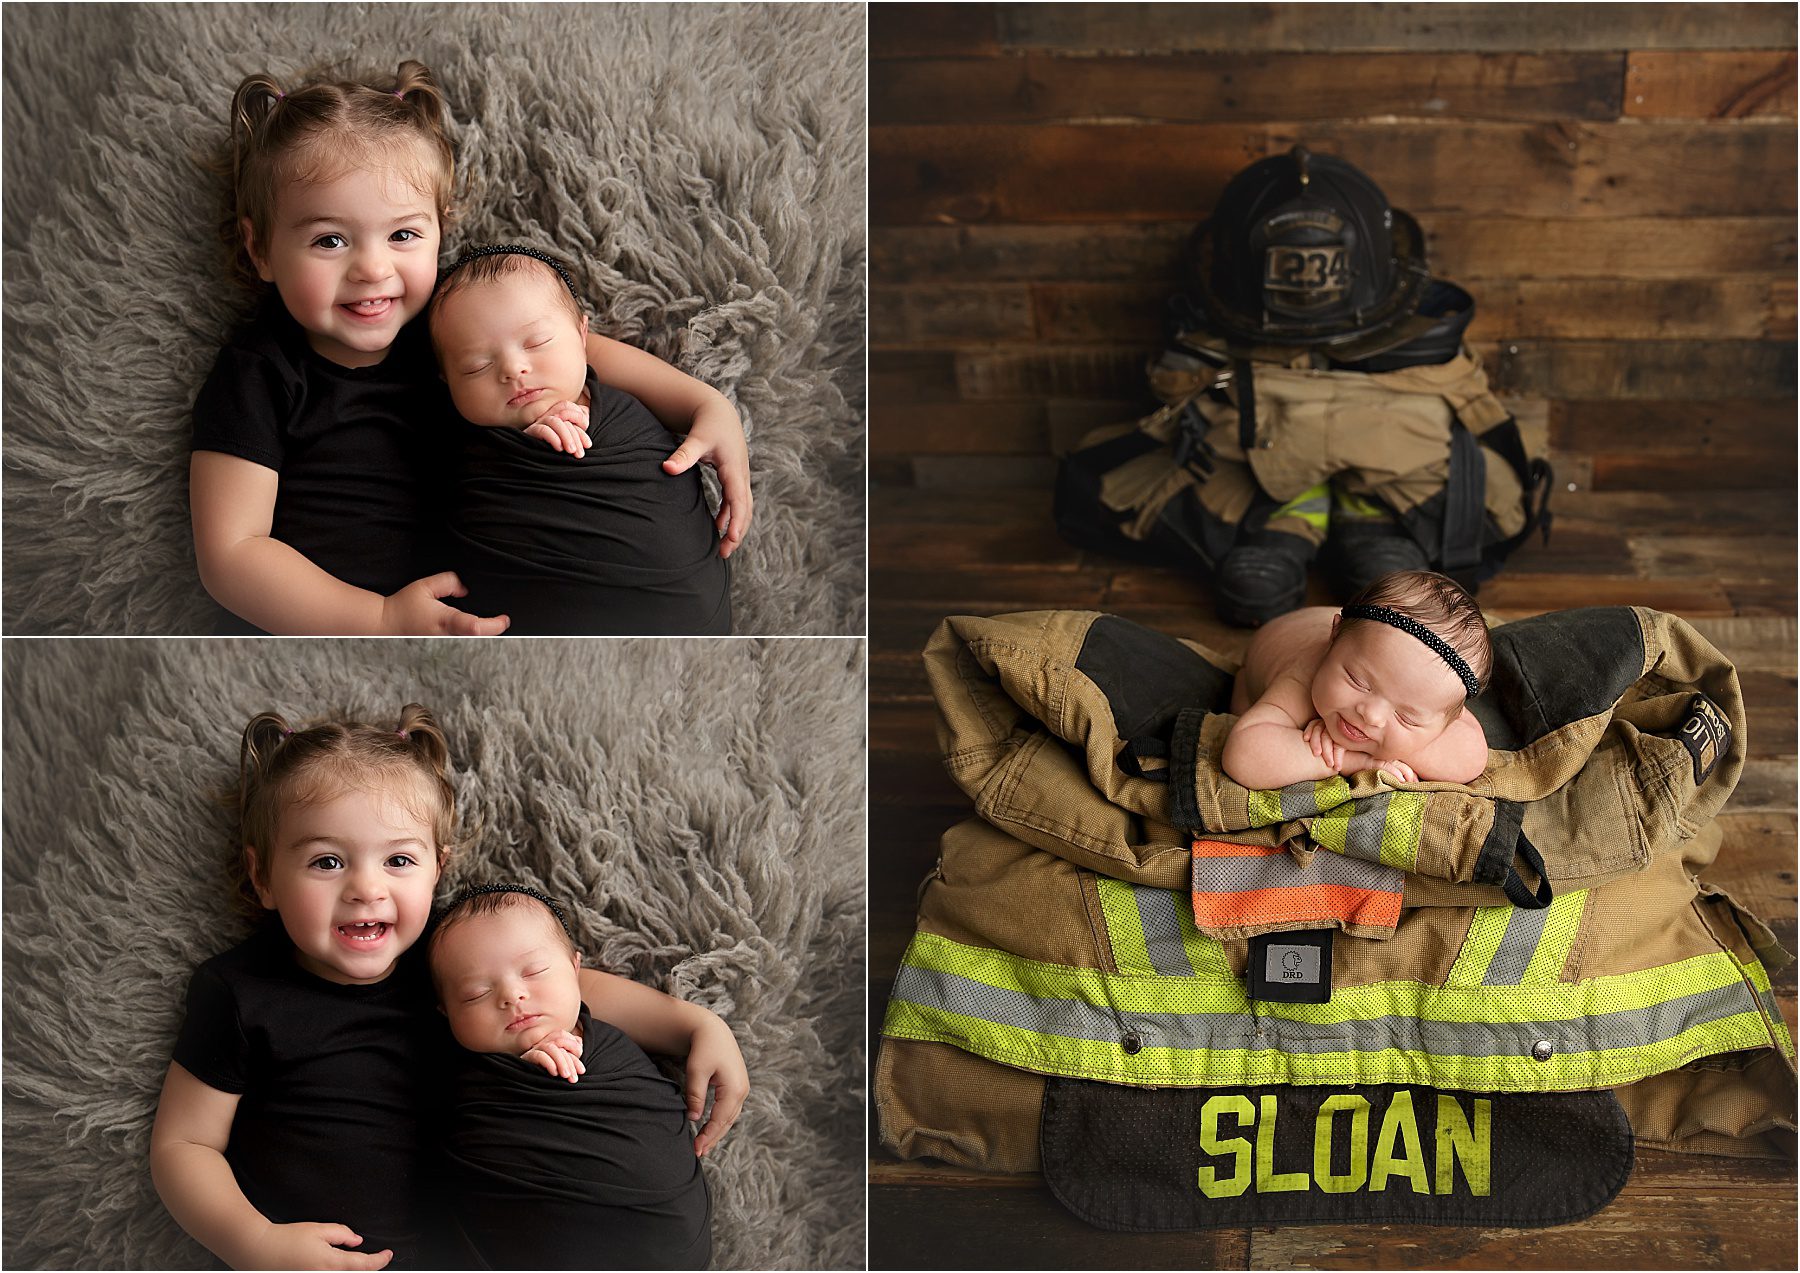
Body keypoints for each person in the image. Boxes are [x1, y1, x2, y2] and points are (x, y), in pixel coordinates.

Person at [147, 706, 748, 1271]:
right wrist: (255, 1243)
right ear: (263, 876)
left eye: (398, 861)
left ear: (438, 867)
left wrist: (694, 1026)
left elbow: (566, 984)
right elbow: (185, 1145)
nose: (366, 889)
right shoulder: (241, 992)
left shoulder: (447, 954)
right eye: (327, 862)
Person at [190, 60, 750, 636]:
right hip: (342, 627)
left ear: (440, 229)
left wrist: (706, 406)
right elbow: (232, 555)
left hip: (497, 609)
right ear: (261, 249)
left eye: (402, 234)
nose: (373, 269)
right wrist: (379, 619)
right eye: (329, 240)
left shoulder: (450, 321)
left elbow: (578, 351)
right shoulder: (260, 372)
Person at [426, 246, 731, 634]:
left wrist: (716, 408)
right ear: (446, 381)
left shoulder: (629, 406)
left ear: (582, 335)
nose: (513, 369)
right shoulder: (456, 446)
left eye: (537, 342)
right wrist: (526, 447)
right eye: (477, 366)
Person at [429, 884, 713, 1269]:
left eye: (534, 971)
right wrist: (524, 1075)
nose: (512, 995)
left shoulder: (609, 1042)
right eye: (476, 993)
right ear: (445, 1012)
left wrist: (708, 1027)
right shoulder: (460, 1080)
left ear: (576, 969)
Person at [1222, 569, 1491, 790]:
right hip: (1279, 638)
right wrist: (1349, 760)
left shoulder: (1426, 689)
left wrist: (1394, 747)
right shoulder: (1304, 676)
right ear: (1334, 636)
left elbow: (1470, 757)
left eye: (1406, 717)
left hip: (1365, 635)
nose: (1371, 716)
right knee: (1241, 707)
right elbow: (1243, 756)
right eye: (1357, 681)